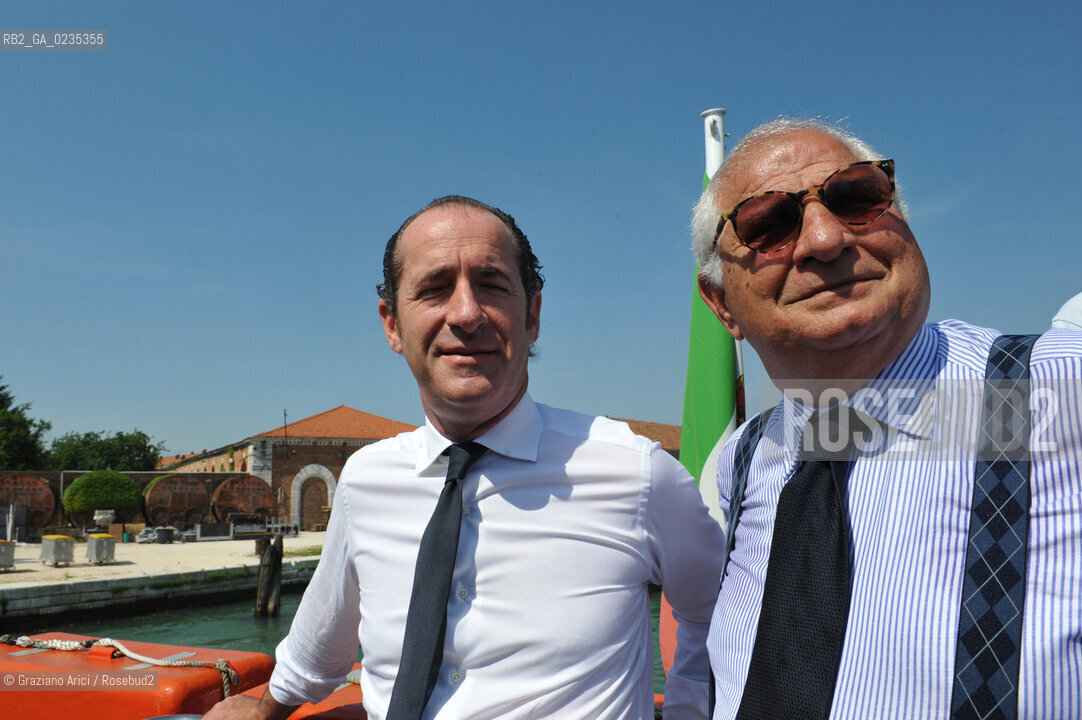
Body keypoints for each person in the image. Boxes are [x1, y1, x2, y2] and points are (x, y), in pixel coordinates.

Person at [205, 195, 725, 720]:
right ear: (391, 324)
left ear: (533, 314)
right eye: (434, 289)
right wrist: (262, 712)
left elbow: (721, 616)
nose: (467, 313)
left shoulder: (636, 472)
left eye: (492, 284)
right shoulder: (365, 481)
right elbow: (321, 638)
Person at [690, 119, 1082, 720]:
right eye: (767, 225)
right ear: (721, 305)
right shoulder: (744, 458)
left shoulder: (1054, 394)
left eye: (856, 198)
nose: (824, 239)